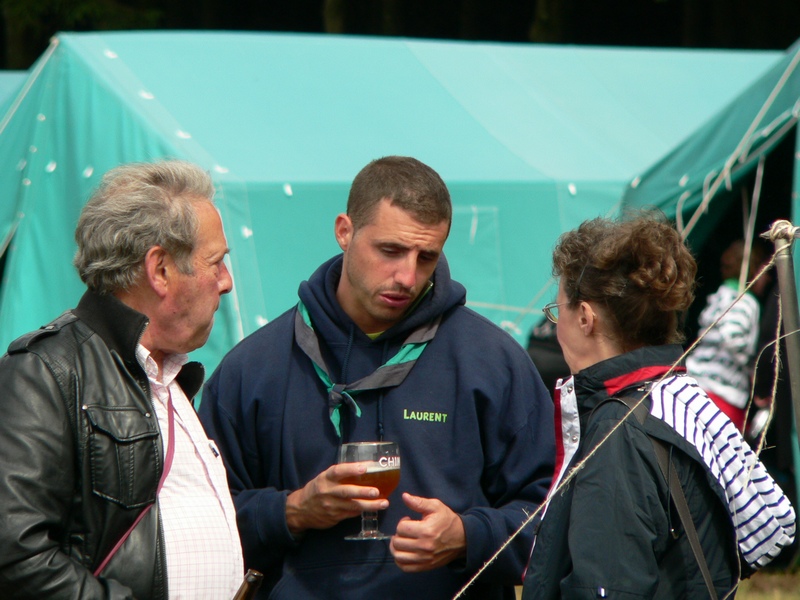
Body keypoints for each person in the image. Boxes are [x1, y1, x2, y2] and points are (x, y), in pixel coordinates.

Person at [199, 155, 555, 599]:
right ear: (344, 231)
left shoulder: (493, 362)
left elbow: (554, 516)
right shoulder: (254, 369)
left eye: (426, 257)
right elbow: (198, 527)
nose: (407, 276)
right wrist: (292, 512)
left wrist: (468, 537)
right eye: (390, 251)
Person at [0, 160, 244, 599]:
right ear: (160, 270)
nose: (225, 282)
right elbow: (16, 554)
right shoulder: (44, 371)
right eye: (216, 262)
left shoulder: (168, 378)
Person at [522, 215, 795, 599]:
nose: (556, 324)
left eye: (558, 310)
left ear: (585, 318)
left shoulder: (620, 431)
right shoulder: (674, 399)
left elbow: (606, 588)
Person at [686, 239, 769, 431]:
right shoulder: (744, 300)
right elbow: (733, 336)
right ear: (754, 270)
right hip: (722, 391)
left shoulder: (721, 294)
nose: (768, 279)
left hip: (698, 382)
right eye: (766, 272)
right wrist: (753, 368)